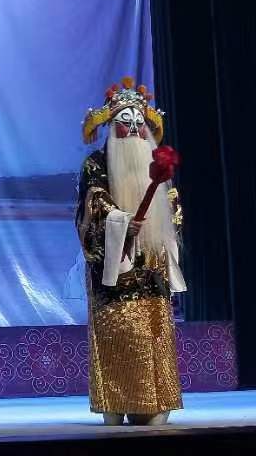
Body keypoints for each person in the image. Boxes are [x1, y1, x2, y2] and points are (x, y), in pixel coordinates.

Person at [76, 77, 186, 425]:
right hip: (114, 276)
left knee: (154, 337)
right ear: (112, 126)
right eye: (126, 121)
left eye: (139, 122)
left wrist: (161, 223)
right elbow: (93, 206)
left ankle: (156, 404)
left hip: (151, 273)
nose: (135, 128)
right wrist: (121, 223)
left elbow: (172, 207)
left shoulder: (155, 164)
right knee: (117, 339)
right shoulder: (97, 164)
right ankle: (115, 404)